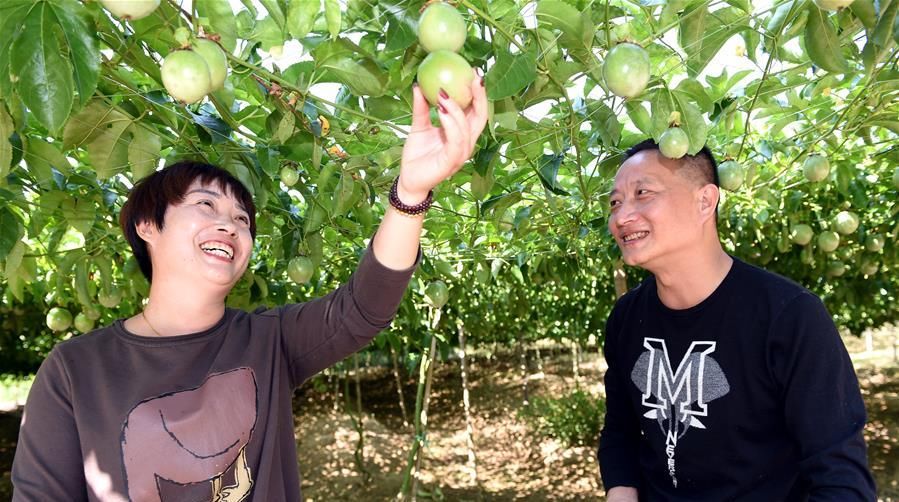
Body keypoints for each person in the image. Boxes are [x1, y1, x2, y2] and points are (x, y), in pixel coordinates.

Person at [12, 75, 487, 501]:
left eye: (242, 219)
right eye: (205, 205)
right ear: (146, 226)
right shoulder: (74, 371)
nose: (230, 225)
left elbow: (363, 309)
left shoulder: (269, 341)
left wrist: (410, 193)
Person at [598, 140, 876, 501]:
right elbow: (620, 432)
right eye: (615, 202)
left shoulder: (788, 315)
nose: (621, 217)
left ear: (705, 201)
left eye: (643, 193)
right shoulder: (626, 318)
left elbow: (840, 478)